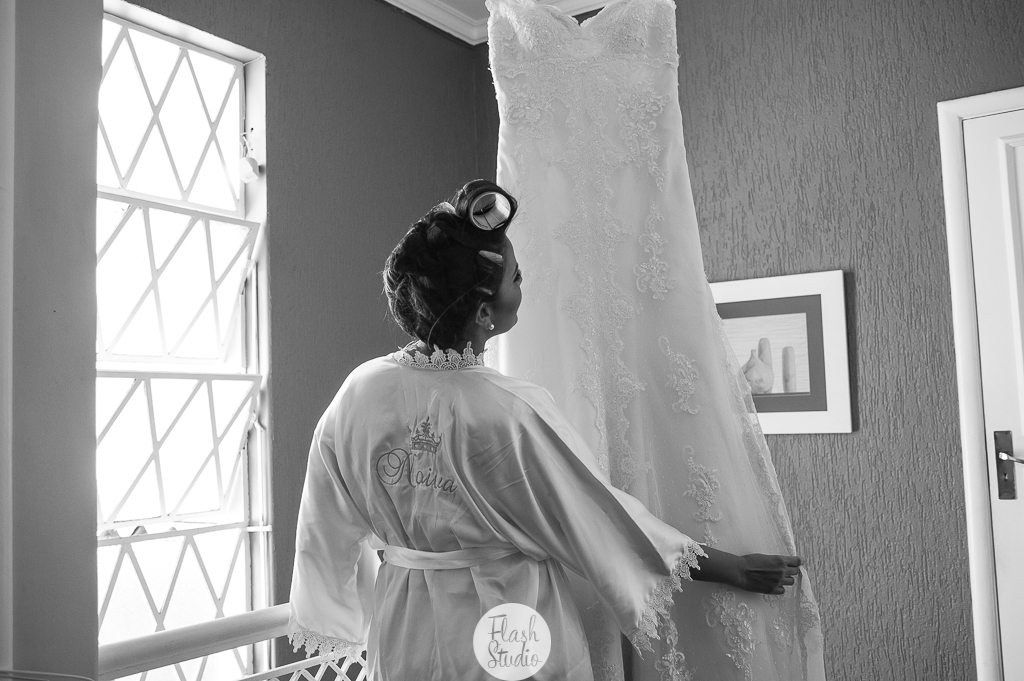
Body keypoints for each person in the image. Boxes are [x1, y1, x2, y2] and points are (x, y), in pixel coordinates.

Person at [287, 180, 803, 681]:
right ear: (485, 312)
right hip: (505, 628)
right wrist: (728, 568)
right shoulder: (507, 409)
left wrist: (335, 604)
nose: (522, 283)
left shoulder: (359, 392)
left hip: (403, 629)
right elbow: (598, 517)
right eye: (516, 277)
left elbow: (322, 524)